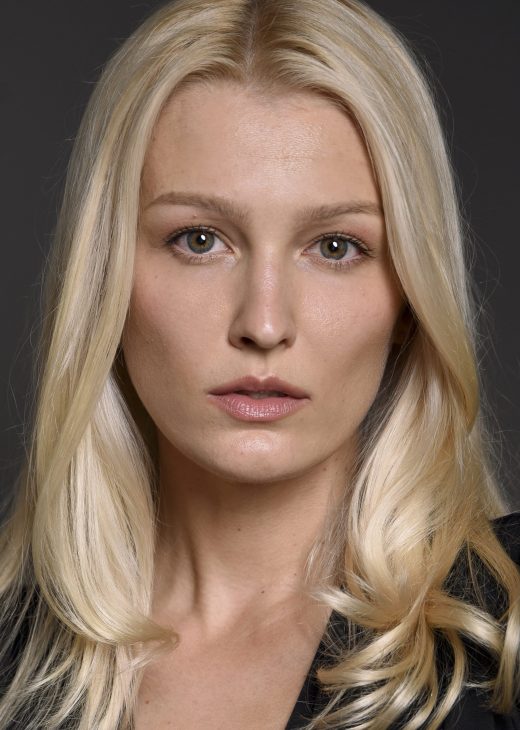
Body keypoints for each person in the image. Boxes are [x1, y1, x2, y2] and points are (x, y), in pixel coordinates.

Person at [0, 0, 519, 728]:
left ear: (409, 298)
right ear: (106, 277)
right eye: (200, 240)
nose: (264, 324)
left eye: (335, 247)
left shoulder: (504, 635)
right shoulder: (13, 655)